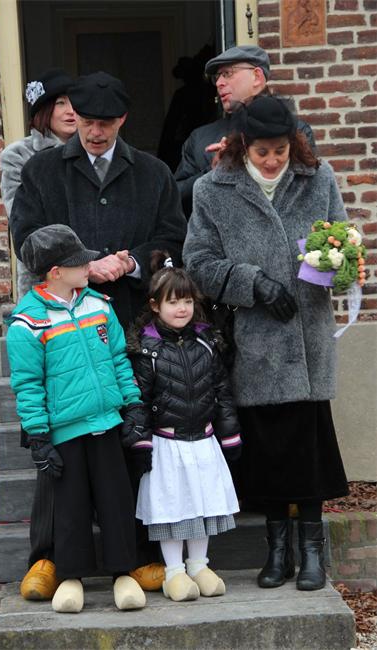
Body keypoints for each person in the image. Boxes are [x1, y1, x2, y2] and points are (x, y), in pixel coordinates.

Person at [9, 71, 187, 597]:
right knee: (59, 439)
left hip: (130, 321)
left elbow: (173, 237)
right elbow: (26, 237)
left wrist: (130, 262)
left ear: (122, 120)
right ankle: (48, 556)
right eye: (86, 122)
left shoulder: (153, 173)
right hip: (60, 322)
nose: (94, 132)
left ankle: (136, 552)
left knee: (132, 438)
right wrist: (84, 264)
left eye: (105, 124)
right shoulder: (43, 171)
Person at [183, 95, 349, 592]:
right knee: (270, 451)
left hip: (307, 335)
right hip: (256, 339)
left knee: (308, 449)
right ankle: (277, 551)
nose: (273, 160)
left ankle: (312, 551)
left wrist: (337, 264)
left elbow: (341, 242)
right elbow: (199, 261)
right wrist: (252, 283)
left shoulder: (318, 179)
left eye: (281, 150)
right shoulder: (213, 189)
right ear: (243, 145)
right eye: (263, 152)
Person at [6, 224, 148, 613]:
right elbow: (28, 384)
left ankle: (123, 572)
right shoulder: (28, 323)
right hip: (65, 433)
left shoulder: (99, 305)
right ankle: (71, 576)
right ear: (55, 272)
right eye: (80, 262)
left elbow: (118, 358)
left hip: (108, 424)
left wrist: (133, 404)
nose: (89, 266)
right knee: (70, 509)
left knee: (117, 500)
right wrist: (39, 437)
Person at [123, 252, 241, 602]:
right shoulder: (147, 350)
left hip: (203, 440)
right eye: (173, 302)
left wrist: (230, 434)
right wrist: (139, 441)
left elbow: (222, 391)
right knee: (172, 507)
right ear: (155, 305)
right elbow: (137, 400)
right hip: (167, 444)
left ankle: (199, 565)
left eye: (187, 301)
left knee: (203, 504)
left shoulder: (207, 342)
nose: (182, 309)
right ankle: (174, 571)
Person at [174, 45, 315, 217]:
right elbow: (176, 198)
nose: (218, 83)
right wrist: (213, 171)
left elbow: (305, 196)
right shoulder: (199, 138)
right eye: (217, 77)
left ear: (257, 77)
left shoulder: (296, 131)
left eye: (227, 73)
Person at [0, 68, 76, 298]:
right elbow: (20, 218)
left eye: (74, 101)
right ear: (44, 110)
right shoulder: (19, 155)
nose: (71, 111)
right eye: (60, 103)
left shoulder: (94, 152)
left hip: (93, 271)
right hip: (43, 274)